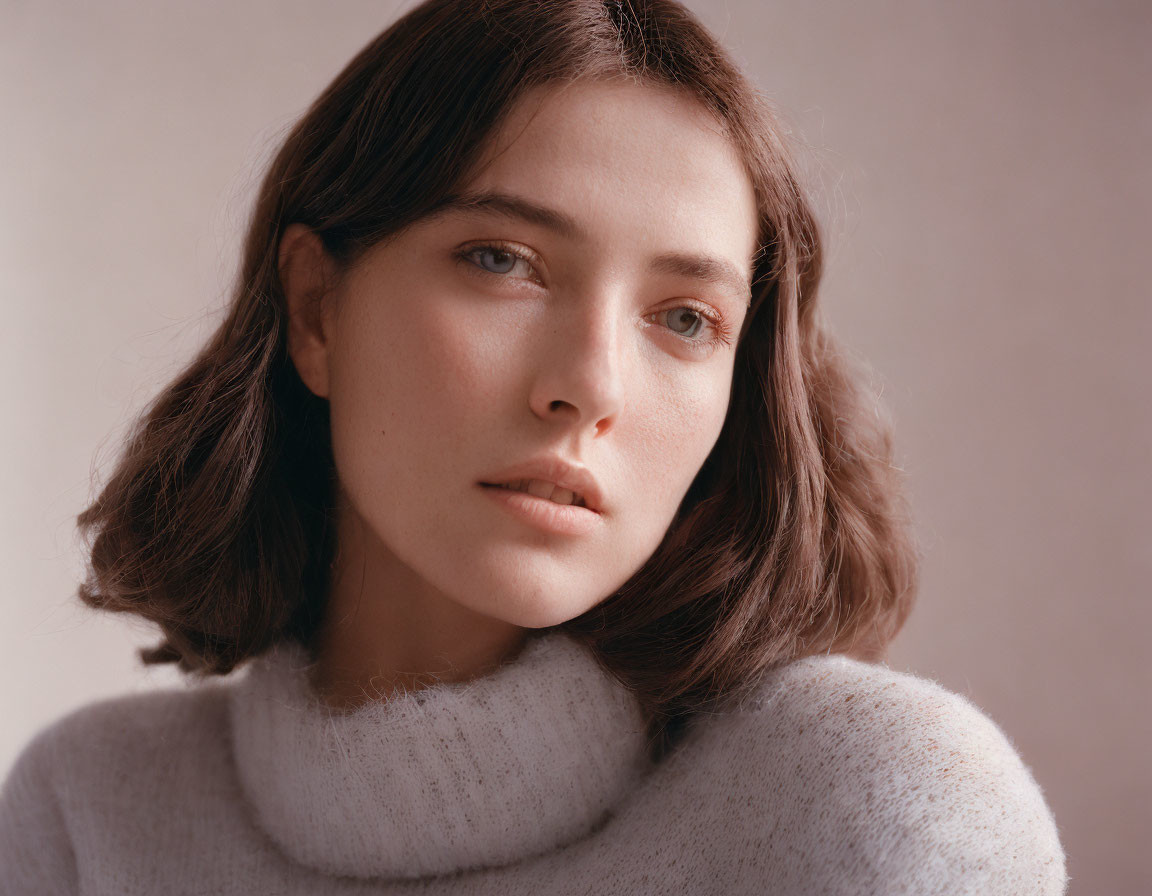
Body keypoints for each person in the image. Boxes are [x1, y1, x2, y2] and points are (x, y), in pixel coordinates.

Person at [0, 0, 1067, 892]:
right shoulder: (88, 815)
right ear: (318, 310)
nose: (591, 387)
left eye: (685, 317)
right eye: (504, 260)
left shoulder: (873, 807)